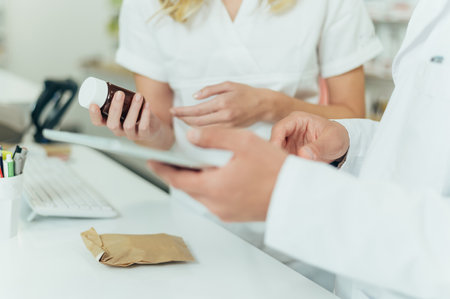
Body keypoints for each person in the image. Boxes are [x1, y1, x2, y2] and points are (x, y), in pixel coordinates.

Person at [148, 0, 450, 298]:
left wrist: (290, 193)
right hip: (203, 224)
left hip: (321, 246)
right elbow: (413, 143)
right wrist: (350, 141)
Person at [88, 0, 381, 290]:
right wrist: (146, 130)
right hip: (199, 226)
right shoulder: (147, 5)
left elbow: (352, 120)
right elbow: (164, 136)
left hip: (297, 219)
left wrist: (270, 105)